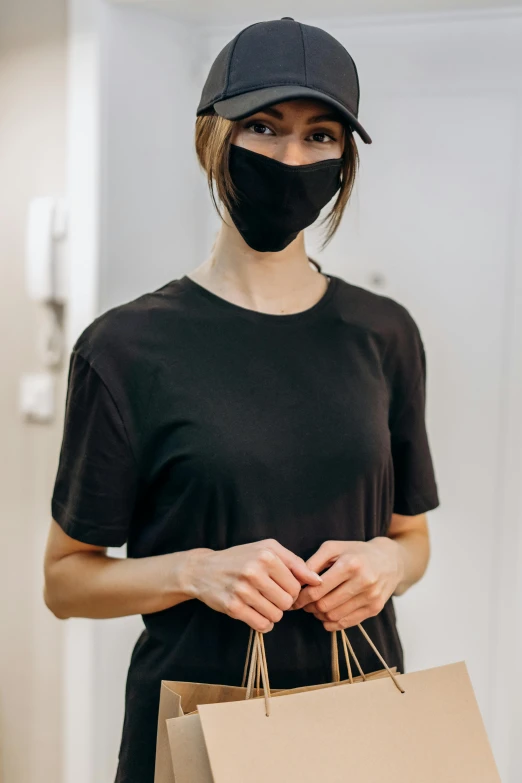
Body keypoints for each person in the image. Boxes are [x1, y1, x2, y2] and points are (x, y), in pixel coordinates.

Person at [43, 17, 440, 783]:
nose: (291, 157)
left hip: (361, 720)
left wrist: (386, 563)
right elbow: (65, 579)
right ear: (210, 139)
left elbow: (412, 538)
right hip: (194, 730)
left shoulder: (384, 334)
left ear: (344, 159)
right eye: (262, 125)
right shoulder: (124, 347)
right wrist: (195, 570)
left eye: (320, 136)